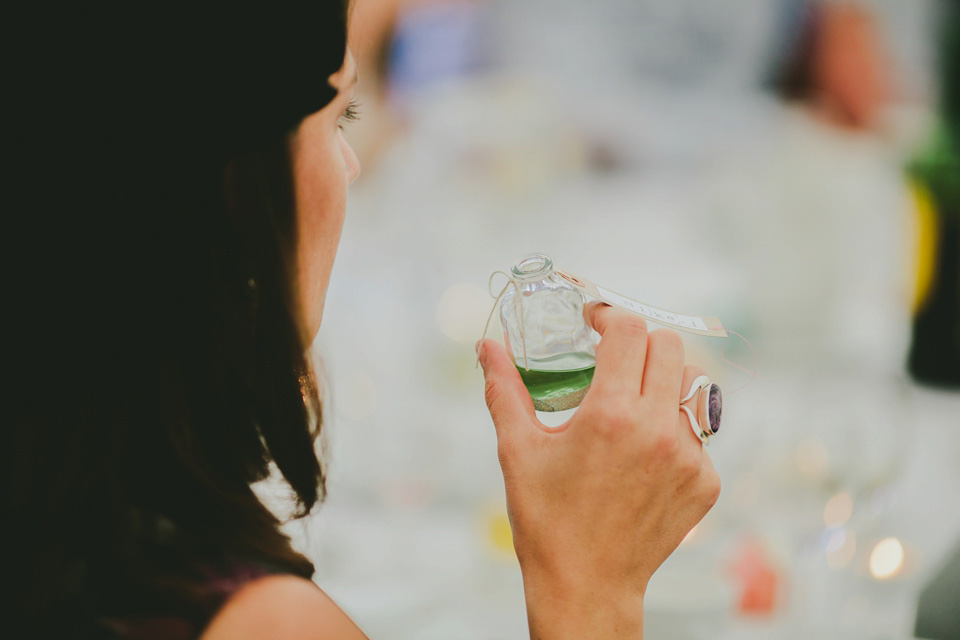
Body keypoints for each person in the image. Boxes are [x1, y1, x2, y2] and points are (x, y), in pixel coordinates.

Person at [6, 2, 720, 638]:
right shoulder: (253, 623)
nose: (348, 166)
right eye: (339, 115)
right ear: (233, 186)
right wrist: (591, 587)